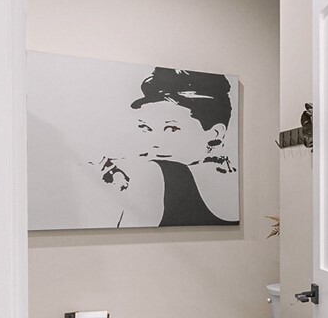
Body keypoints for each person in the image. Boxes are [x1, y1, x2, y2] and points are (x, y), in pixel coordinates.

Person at [98, 67, 239, 227]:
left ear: (215, 134)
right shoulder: (238, 185)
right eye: (146, 128)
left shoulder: (155, 173)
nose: (154, 143)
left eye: (172, 129)